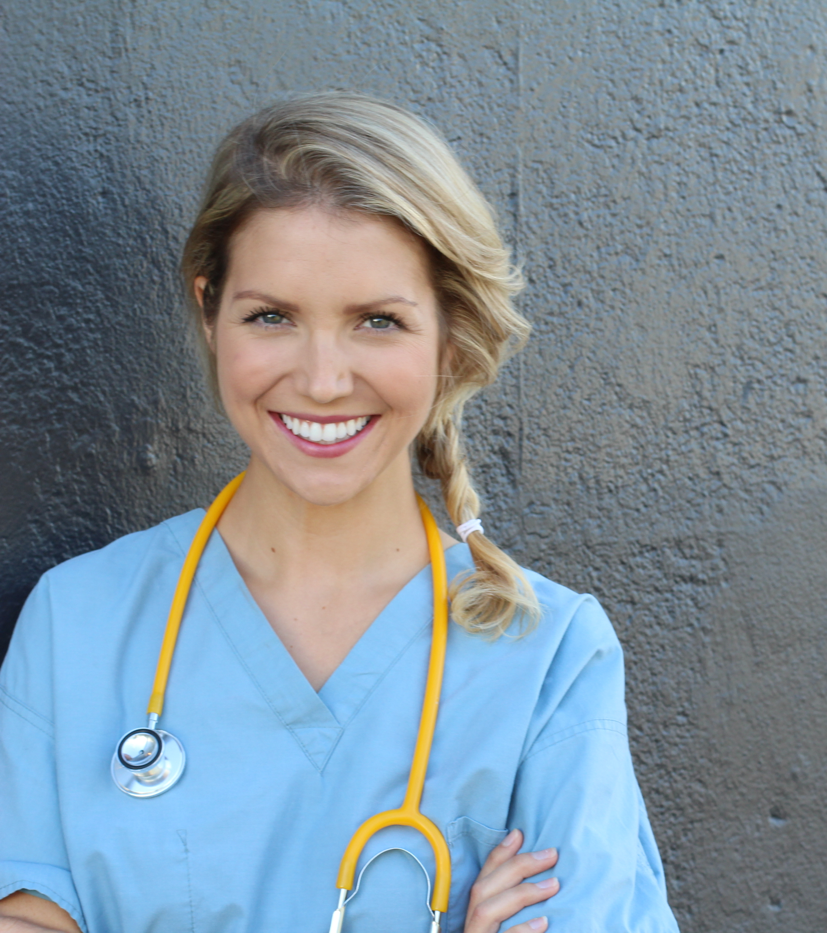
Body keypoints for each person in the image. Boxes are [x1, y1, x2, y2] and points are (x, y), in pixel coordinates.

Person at [0, 93, 679, 933]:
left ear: (451, 335)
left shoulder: (547, 661)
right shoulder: (79, 626)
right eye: (272, 316)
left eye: (378, 321)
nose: (323, 379)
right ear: (210, 311)